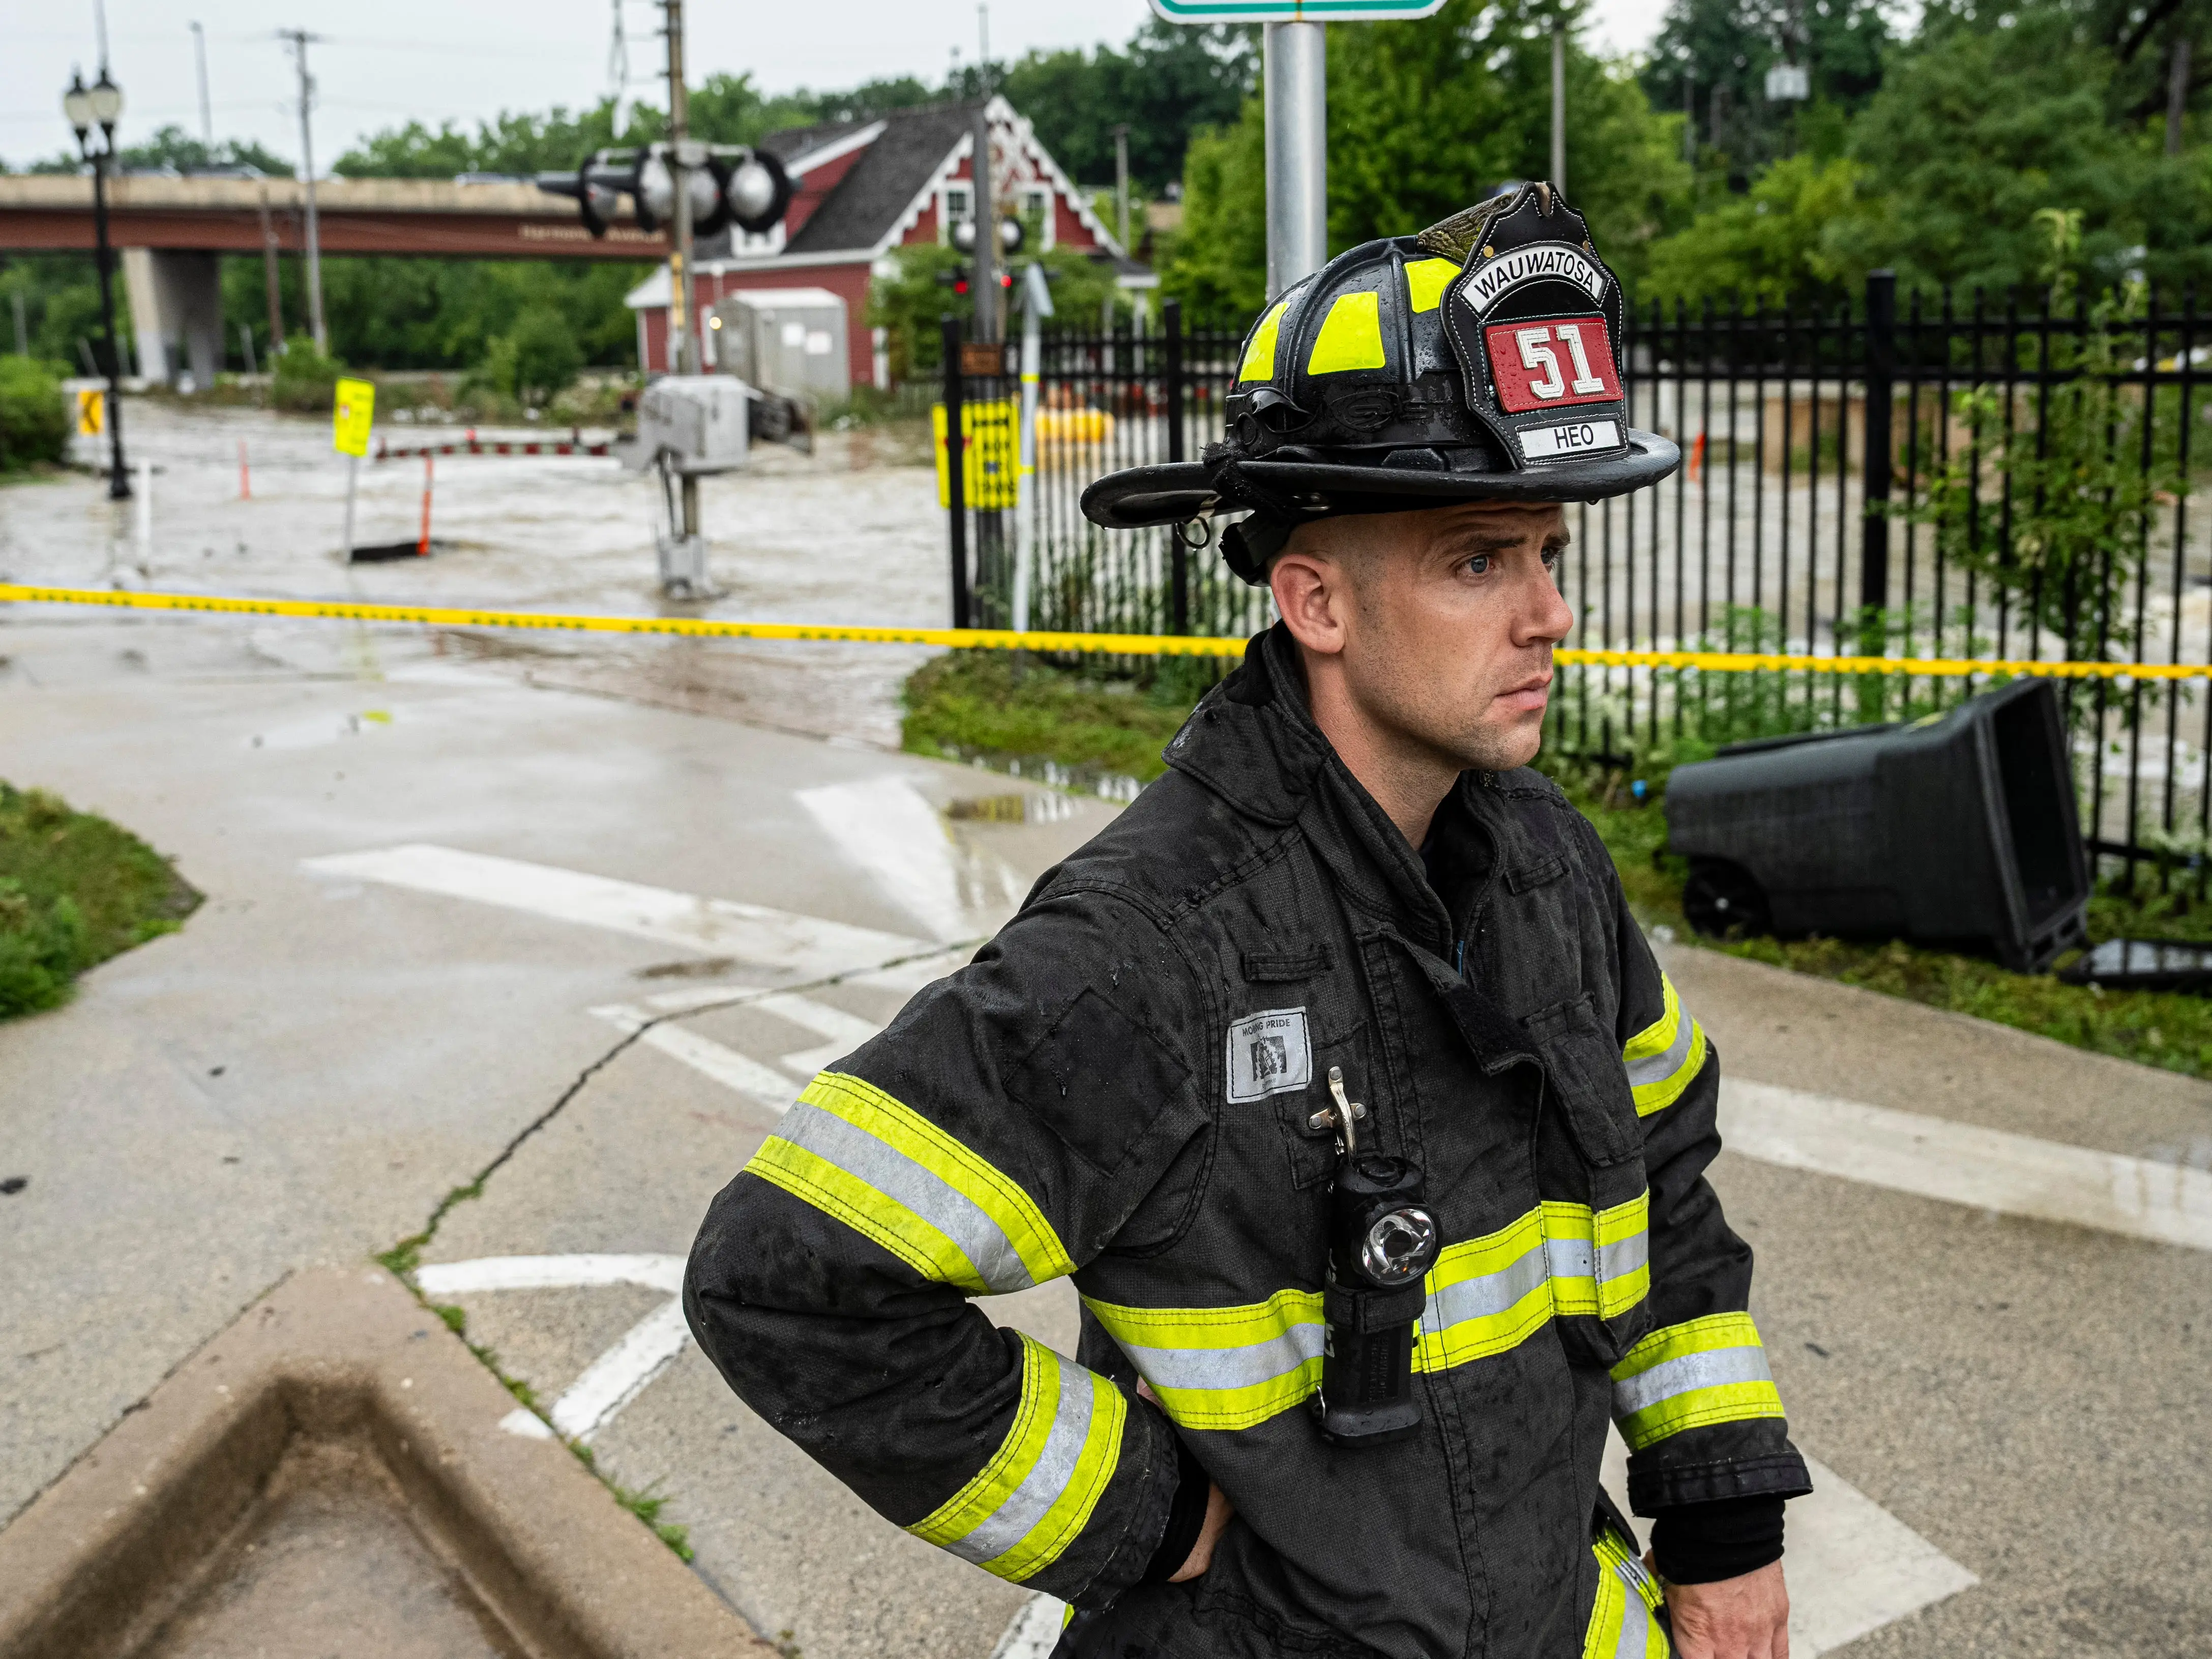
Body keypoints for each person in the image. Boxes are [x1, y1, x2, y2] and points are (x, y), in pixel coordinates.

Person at [685, 184, 1809, 1659]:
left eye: (1550, 551)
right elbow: (791, 1280)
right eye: (1478, 560)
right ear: (1313, 601)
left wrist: (1721, 1524)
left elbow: (1660, 1181)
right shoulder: (1147, 948)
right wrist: (1140, 1518)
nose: (1546, 612)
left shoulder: (1547, 870)